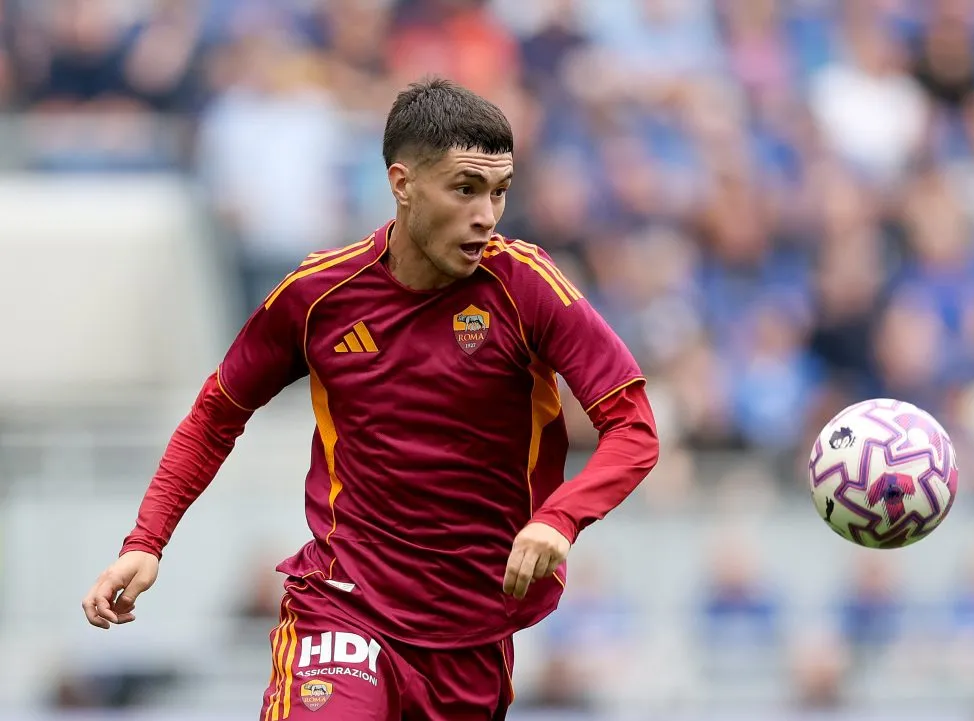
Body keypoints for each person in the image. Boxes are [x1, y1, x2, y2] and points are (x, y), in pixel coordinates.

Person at [81, 78, 660, 721]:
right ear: (402, 182)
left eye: (499, 192)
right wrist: (146, 539)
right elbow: (217, 413)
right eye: (465, 188)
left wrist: (561, 517)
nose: (486, 215)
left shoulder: (529, 289)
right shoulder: (318, 297)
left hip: (472, 630)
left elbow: (633, 428)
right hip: (343, 600)